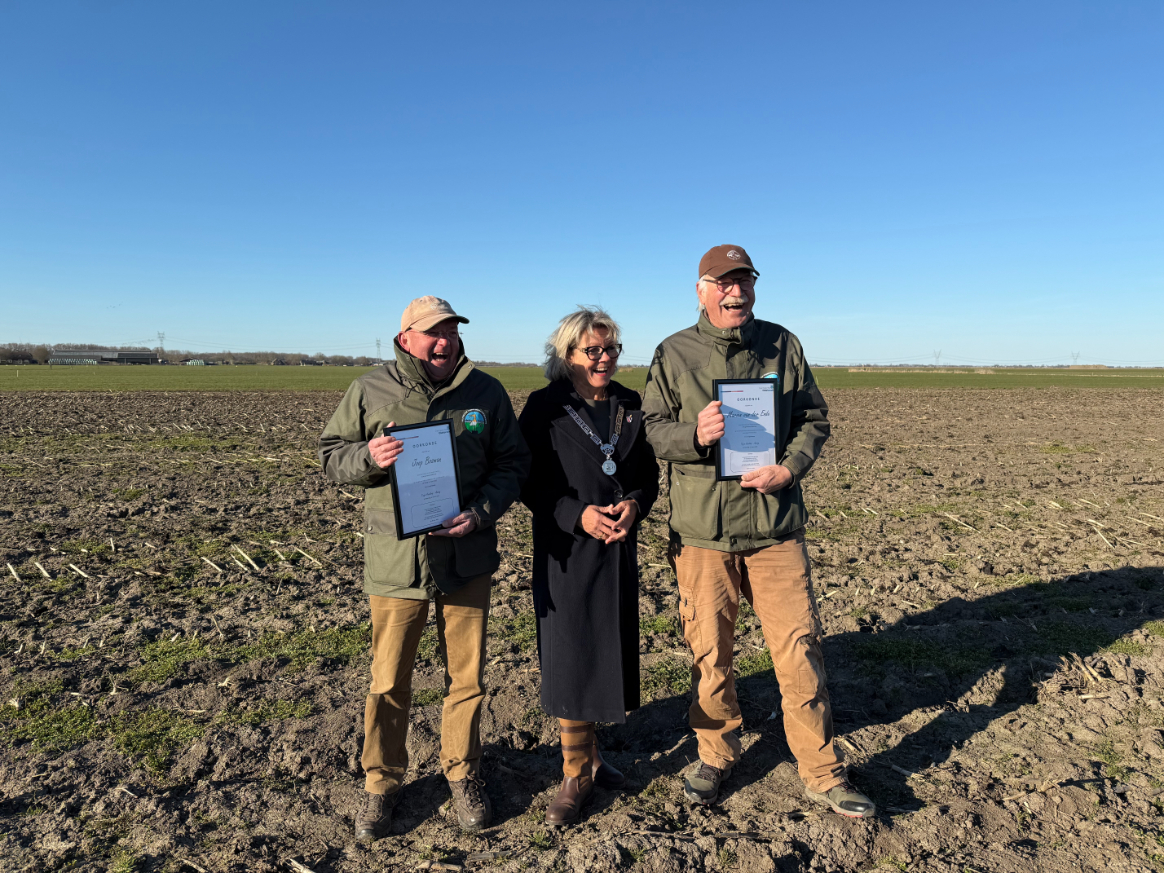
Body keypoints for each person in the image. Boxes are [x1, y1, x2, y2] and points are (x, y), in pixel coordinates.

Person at [641, 245, 875, 818]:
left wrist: (788, 468)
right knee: (710, 653)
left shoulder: (782, 344)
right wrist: (694, 435)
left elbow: (812, 419)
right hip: (703, 533)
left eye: (744, 281)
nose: (735, 291)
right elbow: (650, 431)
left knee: (799, 650)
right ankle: (715, 755)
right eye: (723, 282)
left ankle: (821, 769)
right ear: (701, 289)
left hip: (774, 529)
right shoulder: (673, 353)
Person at [318, 295, 530, 840]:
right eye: (434, 332)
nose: (445, 341)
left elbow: (514, 463)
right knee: (388, 679)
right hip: (397, 564)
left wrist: (482, 513)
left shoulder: (485, 392)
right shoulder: (370, 388)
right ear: (406, 336)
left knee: (468, 678)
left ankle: (463, 773)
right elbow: (330, 455)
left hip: (467, 556)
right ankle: (381, 783)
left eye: (453, 331)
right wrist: (368, 458)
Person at [517, 306, 659, 826]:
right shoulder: (543, 408)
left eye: (611, 350)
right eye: (592, 351)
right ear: (566, 355)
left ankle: (593, 757)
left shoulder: (629, 403)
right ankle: (574, 771)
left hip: (617, 548)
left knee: (604, 650)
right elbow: (528, 483)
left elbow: (648, 474)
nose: (604, 359)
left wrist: (635, 505)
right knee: (572, 652)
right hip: (567, 550)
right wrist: (578, 516)